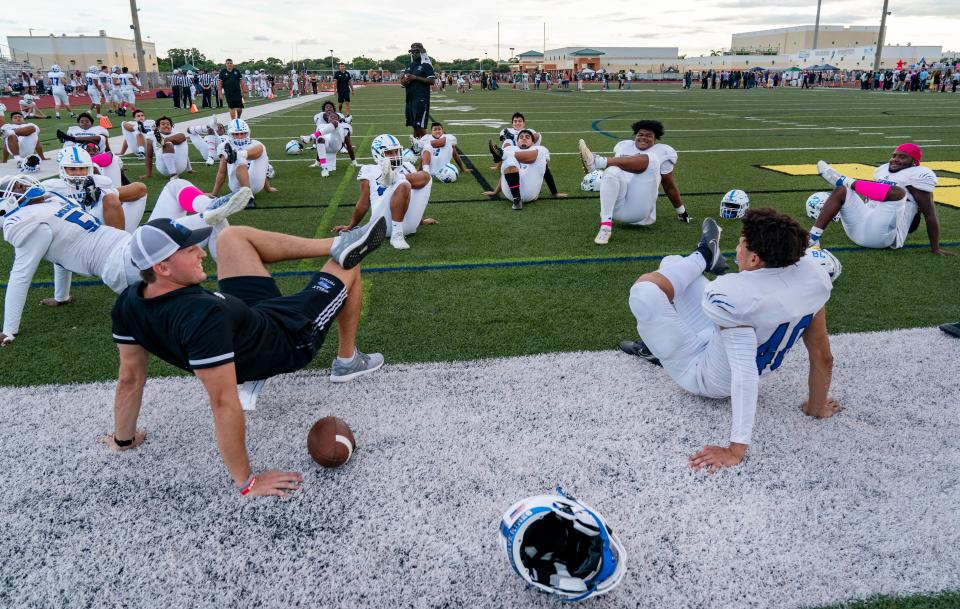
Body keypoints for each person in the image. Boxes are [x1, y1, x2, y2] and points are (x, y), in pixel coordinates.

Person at [103, 214, 390, 498]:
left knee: (231, 238)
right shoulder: (202, 318)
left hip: (247, 318)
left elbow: (129, 378)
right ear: (162, 267)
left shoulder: (129, 302)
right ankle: (348, 361)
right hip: (289, 337)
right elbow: (223, 402)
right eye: (191, 251)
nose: (202, 253)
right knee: (348, 266)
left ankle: (338, 242)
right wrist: (247, 482)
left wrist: (123, 439)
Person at [621, 212, 837, 472]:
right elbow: (821, 352)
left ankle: (702, 256)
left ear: (755, 259)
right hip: (716, 344)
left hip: (703, 376)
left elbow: (744, 374)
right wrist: (816, 406)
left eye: (740, 244)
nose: (736, 250)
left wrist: (735, 450)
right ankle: (700, 259)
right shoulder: (813, 277)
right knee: (672, 263)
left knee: (645, 293)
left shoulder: (738, 297)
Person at [0, 173, 250, 346]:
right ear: (7, 201)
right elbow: (20, 275)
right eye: (18, 188)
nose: (23, 185)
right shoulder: (26, 223)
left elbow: (59, 256)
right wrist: (8, 329)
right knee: (209, 218)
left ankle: (210, 207)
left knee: (176, 186)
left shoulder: (50, 203)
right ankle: (212, 216)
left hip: (129, 246)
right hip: (121, 264)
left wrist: (61, 296)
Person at [811, 144, 956, 255]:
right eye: (894, 155)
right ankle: (812, 238)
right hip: (859, 228)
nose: (895, 160)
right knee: (842, 190)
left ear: (914, 162)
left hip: (883, 238)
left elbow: (930, 214)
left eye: (902, 157)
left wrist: (935, 248)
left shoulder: (918, 175)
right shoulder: (882, 170)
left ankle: (844, 180)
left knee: (898, 193)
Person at [578, 120, 690, 245]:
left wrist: (681, 212)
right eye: (640, 134)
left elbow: (669, 186)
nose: (643, 138)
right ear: (635, 136)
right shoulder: (624, 145)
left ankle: (597, 162)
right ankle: (605, 227)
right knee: (612, 170)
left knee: (651, 158)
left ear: (655, 139)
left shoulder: (662, 151)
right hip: (616, 208)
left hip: (638, 212)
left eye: (649, 135)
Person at [333, 134, 435, 250]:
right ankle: (396, 236)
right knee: (403, 184)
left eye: (397, 151)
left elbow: (412, 198)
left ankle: (394, 178)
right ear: (378, 154)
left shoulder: (407, 166)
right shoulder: (369, 169)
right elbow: (363, 203)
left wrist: (420, 220)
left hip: (409, 226)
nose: (395, 156)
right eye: (390, 153)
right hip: (382, 224)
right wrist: (351, 226)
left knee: (427, 177)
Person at [482, 129, 558, 210]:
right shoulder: (511, 149)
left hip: (529, 193)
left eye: (527, 137)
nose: (524, 138)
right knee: (509, 160)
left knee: (541, 153)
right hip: (510, 194)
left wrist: (555, 192)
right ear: (517, 142)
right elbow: (505, 174)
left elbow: (545, 171)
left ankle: (502, 154)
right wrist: (495, 191)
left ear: (533, 142)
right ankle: (517, 200)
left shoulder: (540, 149)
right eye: (521, 137)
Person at [210, 118, 277, 205]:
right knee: (240, 160)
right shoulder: (225, 146)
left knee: (261, 148)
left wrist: (268, 188)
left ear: (247, 133)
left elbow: (261, 168)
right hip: (237, 185)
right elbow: (222, 172)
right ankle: (248, 197)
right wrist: (214, 194)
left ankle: (237, 155)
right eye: (236, 134)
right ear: (230, 134)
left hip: (255, 184)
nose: (240, 136)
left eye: (242, 133)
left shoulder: (255, 144)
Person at [400, 43, 435, 140]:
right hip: (410, 99)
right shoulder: (409, 66)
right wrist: (405, 81)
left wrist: (415, 77)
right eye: (412, 52)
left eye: (416, 52)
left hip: (421, 99)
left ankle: (428, 147)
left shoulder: (426, 65)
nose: (414, 54)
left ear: (422, 52)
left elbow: (432, 81)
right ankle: (416, 148)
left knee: (419, 125)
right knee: (414, 125)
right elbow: (402, 84)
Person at [142, 116, 190, 180]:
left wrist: (189, 169)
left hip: (180, 166)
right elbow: (149, 156)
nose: (166, 125)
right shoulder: (151, 135)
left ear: (171, 126)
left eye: (168, 124)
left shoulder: (177, 134)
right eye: (163, 124)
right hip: (163, 166)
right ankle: (173, 175)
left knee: (182, 137)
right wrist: (148, 174)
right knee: (168, 144)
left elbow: (183, 152)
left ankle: (163, 141)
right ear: (158, 127)